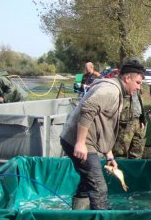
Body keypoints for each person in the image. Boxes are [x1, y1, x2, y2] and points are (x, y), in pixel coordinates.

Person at [60, 57, 144, 210]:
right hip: (79, 141)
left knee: (88, 181)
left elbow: (103, 124)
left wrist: (109, 155)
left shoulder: (116, 90)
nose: (139, 87)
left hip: (79, 139)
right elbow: (88, 108)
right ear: (127, 78)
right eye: (137, 83)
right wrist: (80, 143)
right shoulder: (111, 90)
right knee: (99, 187)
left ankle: (79, 217)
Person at [112, 79, 148, 159]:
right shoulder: (120, 85)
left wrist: (142, 119)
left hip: (138, 121)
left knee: (137, 152)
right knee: (120, 152)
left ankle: (134, 170)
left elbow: (139, 101)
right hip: (125, 123)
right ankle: (119, 169)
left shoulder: (136, 86)